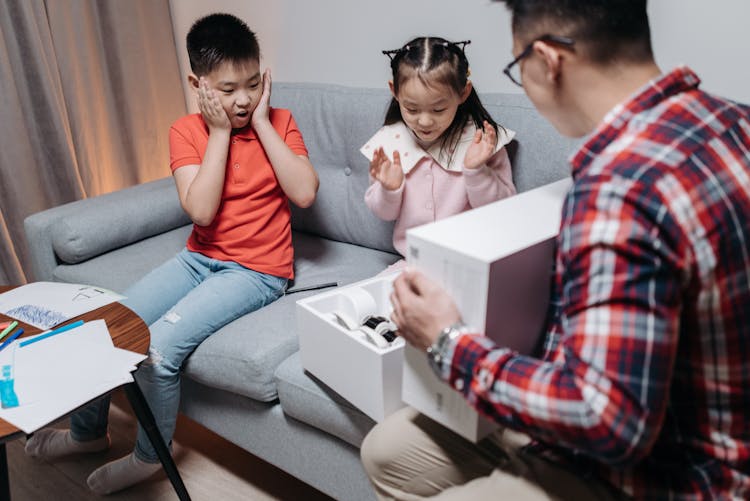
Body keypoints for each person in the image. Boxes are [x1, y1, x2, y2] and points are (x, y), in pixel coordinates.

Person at [361, 0, 750, 499]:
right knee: (389, 451)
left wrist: (446, 339)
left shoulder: (619, 186)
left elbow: (609, 421)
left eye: (517, 67)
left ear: (547, 61)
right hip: (647, 407)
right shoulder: (733, 120)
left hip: (672, 469)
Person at [25, 13, 318, 494]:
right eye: (227, 89)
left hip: (257, 271)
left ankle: (149, 456)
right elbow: (202, 212)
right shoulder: (186, 131)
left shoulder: (280, 122)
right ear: (197, 83)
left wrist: (261, 124)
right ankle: (87, 433)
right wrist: (220, 133)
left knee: (156, 351)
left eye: (251, 83)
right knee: (104, 325)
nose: (243, 99)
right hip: (198, 259)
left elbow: (304, 192)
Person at [362, 37, 516, 271]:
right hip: (413, 264)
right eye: (411, 109)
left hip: (470, 266)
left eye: (438, 109)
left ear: (463, 92)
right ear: (395, 91)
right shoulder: (390, 144)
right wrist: (389, 189)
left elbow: (504, 209)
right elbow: (383, 212)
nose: (424, 121)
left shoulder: (481, 142)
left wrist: (477, 172)